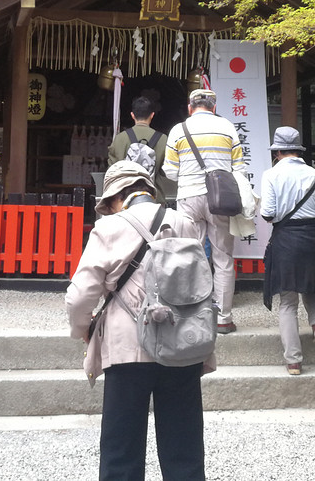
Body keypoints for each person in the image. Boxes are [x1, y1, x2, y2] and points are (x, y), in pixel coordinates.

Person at [65, 160, 211, 480]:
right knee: (183, 446)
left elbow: (80, 297)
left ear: (117, 197)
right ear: (147, 190)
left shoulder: (110, 227)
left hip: (126, 347)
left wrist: (82, 329)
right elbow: (200, 283)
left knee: (122, 448)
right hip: (181, 343)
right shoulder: (184, 222)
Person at [163, 88, 246, 334]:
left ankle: (191, 314)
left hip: (188, 196)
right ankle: (223, 318)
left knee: (190, 255)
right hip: (220, 199)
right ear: (213, 107)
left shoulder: (178, 130)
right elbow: (239, 167)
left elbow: (169, 171)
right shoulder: (228, 128)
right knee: (223, 258)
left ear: (190, 108)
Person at [258, 126, 315, 374]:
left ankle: (294, 360)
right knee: (311, 284)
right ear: (298, 150)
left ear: (277, 151)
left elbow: (268, 214)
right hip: (314, 237)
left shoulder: (270, 175)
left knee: (288, 301)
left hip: (287, 239)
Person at [107, 95, 174, 202]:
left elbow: (112, 170)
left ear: (132, 115)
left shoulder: (120, 139)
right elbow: (168, 171)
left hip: (125, 199)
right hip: (154, 198)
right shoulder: (163, 139)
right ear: (152, 115)